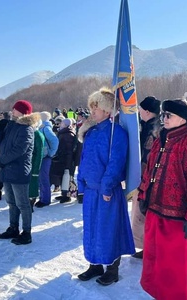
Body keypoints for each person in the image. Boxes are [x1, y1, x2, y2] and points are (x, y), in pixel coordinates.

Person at [138, 98, 187, 300]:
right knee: (156, 264)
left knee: (176, 270)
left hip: (178, 220)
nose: (164, 118)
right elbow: (149, 170)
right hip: (155, 212)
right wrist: (144, 195)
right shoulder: (161, 140)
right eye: (163, 115)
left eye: (169, 115)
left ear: (183, 119)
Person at [76, 87, 135, 286]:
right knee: (92, 228)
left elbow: (116, 162)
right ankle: (95, 264)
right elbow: (84, 160)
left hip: (106, 191)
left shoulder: (116, 133)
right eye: (92, 107)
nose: (92, 111)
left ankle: (112, 269)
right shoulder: (91, 132)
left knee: (109, 229)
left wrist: (107, 187)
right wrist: (81, 183)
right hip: (92, 191)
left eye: (97, 107)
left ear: (108, 110)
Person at [0, 100, 35, 245]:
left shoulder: (26, 129)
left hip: (19, 171)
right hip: (7, 169)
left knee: (23, 204)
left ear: (23, 112)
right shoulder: (12, 126)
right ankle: (13, 227)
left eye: (15, 109)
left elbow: (19, 149)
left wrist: (2, 160)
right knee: (11, 202)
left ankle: (27, 232)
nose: (12, 111)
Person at [130, 96, 161, 259]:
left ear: (147, 111)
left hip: (150, 179)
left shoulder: (157, 129)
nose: (138, 112)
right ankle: (144, 245)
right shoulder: (144, 126)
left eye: (140, 109)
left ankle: (151, 246)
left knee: (147, 212)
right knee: (139, 212)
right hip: (141, 177)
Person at [35, 111, 58, 208]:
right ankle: (42, 197)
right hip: (42, 156)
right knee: (41, 177)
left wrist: (50, 153)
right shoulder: (42, 127)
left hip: (45, 157)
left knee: (43, 178)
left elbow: (55, 141)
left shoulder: (46, 128)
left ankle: (45, 200)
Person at [51, 118, 76, 203]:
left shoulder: (68, 135)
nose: (60, 124)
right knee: (63, 177)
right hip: (63, 159)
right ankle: (63, 194)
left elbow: (69, 151)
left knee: (66, 177)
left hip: (66, 160)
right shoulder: (63, 133)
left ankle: (66, 195)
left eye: (62, 123)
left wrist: (68, 163)